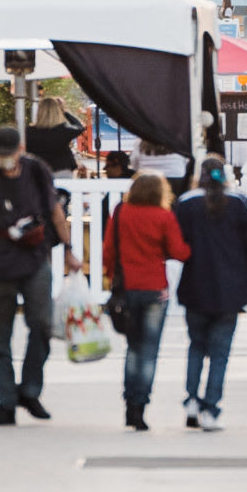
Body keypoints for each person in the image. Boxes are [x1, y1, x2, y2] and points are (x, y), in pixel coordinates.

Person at [0, 122, 79, 425]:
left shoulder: (37, 171)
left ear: (20, 151)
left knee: (42, 326)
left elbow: (55, 211)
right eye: (0, 156)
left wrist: (69, 248)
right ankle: (6, 401)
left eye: (9, 155)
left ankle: (30, 390)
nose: (4, 162)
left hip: (35, 257)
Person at [173, 154, 247, 429]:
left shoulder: (187, 203)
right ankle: (211, 409)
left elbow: (176, 242)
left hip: (195, 286)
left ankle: (191, 399)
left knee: (196, 346)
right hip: (231, 289)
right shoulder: (239, 202)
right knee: (220, 353)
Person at [103, 171, 190, 430]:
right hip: (154, 289)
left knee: (133, 348)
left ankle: (129, 403)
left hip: (127, 287)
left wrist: (111, 278)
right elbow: (178, 251)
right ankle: (141, 405)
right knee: (149, 351)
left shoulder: (121, 213)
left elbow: (108, 250)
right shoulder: (164, 217)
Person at [27, 95, 84, 176]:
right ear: (58, 111)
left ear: (39, 111)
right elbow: (79, 127)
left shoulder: (29, 132)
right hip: (62, 170)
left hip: (38, 172)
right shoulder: (63, 130)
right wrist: (64, 111)